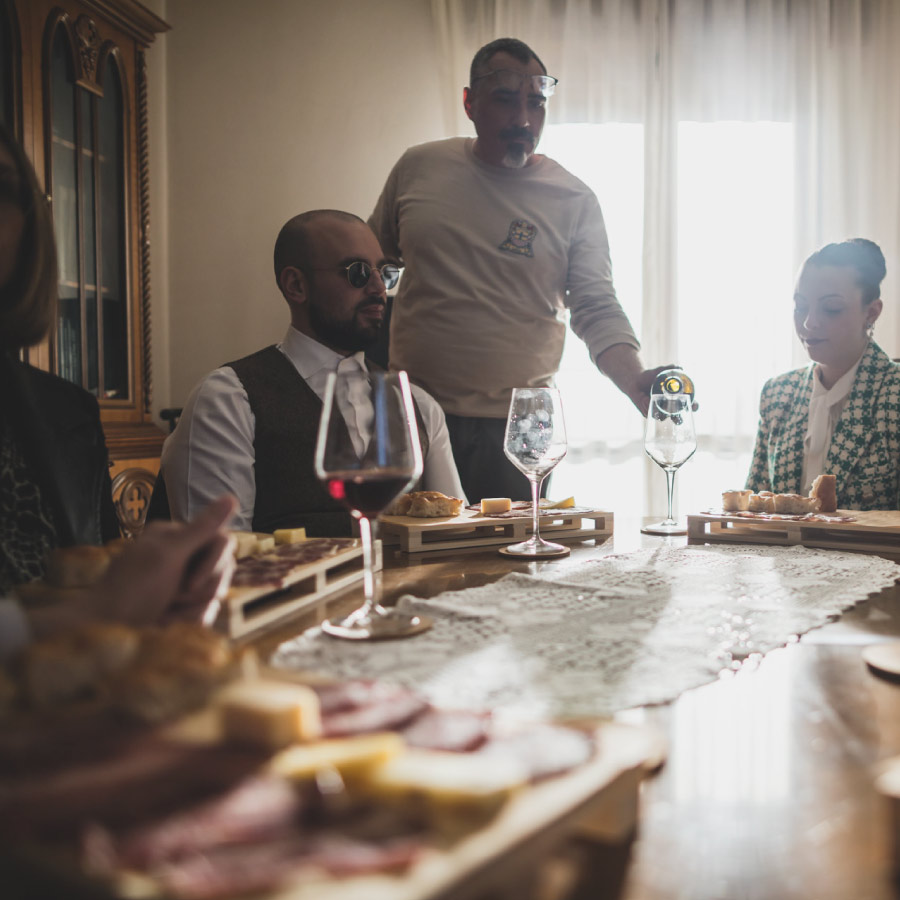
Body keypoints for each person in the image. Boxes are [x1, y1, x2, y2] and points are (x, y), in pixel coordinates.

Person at [368, 37, 669, 502]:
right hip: (414, 409)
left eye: (537, 103)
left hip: (526, 419)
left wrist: (635, 381)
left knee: (512, 560)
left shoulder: (574, 199)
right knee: (411, 556)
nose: (523, 120)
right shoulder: (418, 168)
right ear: (469, 103)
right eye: (506, 99)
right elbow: (374, 270)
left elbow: (595, 305)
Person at [0, 123, 237, 659]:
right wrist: (89, 617)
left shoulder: (67, 413)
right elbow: (93, 610)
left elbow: (102, 581)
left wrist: (160, 593)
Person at [159, 210, 465, 535]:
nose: (379, 288)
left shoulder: (418, 404)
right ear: (296, 285)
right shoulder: (227, 400)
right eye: (357, 272)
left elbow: (454, 536)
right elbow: (218, 560)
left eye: (385, 272)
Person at [746, 238, 900, 509]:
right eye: (801, 306)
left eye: (831, 309)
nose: (809, 322)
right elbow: (752, 510)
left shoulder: (893, 394)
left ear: (872, 312)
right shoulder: (777, 393)